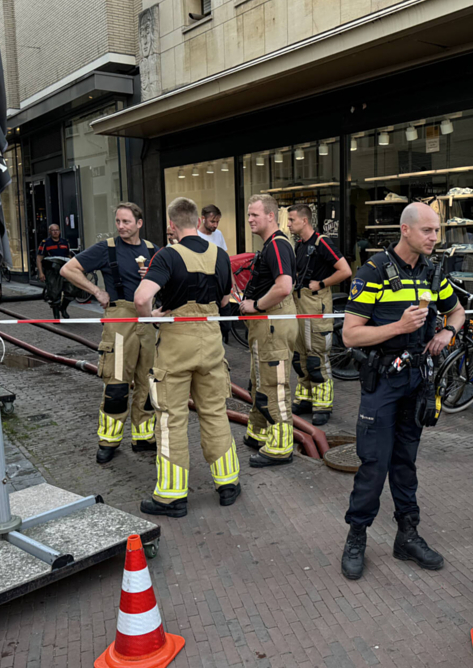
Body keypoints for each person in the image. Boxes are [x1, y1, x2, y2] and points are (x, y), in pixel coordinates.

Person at [340, 202, 465, 581]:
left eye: (437, 230)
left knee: (405, 463)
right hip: (383, 382)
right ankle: (356, 537)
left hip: (416, 381)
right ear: (405, 230)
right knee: (374, 464)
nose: (435, 237)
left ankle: (407, 535)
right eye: (428, 230)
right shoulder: (374, 271)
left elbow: (457, 312)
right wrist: (397, 327)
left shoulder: (432, 273)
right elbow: (350, 334)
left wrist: (447, 331)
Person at [133, 197, 241, 518]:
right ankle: (228, 483)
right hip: (210, 344)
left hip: (176, 347)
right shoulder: (221, 255)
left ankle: (171, 497)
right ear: (197, 222)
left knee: (171, 418)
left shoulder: (166, 255)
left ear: (171, 226)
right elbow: (226, 300)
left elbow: (141, 297)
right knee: (214, 412)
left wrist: (152, 317)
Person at [62, 203, 159, 463]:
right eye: (118, 221)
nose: (121, 226)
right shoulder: (107, 248)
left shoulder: (153, 250)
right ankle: (109, 441)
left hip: (148, 322)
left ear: (139, 223)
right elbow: (68, 269)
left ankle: (143, 436)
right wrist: (97, 292)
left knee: (148, 383)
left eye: (126, 221)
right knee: (116, 386)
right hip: (119, 322)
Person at [239, 194, 299, 467]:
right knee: (261, 380)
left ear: (271, 216)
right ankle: (258, 432)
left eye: (254, 215)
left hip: (272, 324)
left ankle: (280, 447)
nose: (250, 219)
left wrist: (256, 306)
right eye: (249, 215)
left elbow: (284, 286)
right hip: (267, 326)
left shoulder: (277, 245)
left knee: (273, 386)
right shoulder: (273, 245)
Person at [286, 204, 352, 426]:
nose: (288, 224)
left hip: (316, 304)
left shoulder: (322, 242)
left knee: (316, 356)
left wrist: (322, 283)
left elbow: (345, 270)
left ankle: (323, 404)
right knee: (300, 355)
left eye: (292, 220)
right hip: (299, 303)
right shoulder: (300, 245)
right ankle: (305, 398)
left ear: (304, 221)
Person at [36, 224, 73, 319]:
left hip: (65, 270)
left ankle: (63, 308)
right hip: (51, 271)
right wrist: (41, 272)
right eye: (53, 230)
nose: (55, 232)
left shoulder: (65, 242)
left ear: (60, 231)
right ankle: (56, 315)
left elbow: (69, 256)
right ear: (49, 232)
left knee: (71, 290)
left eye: (57, 230)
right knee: (54, 293)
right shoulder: (45, 243)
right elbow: (39, 258)